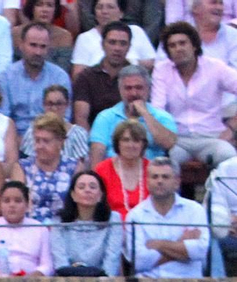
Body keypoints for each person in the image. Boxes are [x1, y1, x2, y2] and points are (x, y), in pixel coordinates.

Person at [153, 20, 237, 169]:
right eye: (172, 45)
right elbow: (158, 110)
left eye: (182, 43)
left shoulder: (215, 67)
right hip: (177, 139)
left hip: (211, 137)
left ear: (194, 45)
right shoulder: (161, 70)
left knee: (229, 158)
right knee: (163, 164)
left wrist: (231, 128)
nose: (178, 48)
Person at [126, 156, 209, 277]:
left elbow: (200, 250)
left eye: (165, 177)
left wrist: (159, 244)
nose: (159, 181)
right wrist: (181, 246)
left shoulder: (195, 210)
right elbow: (138, 261)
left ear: (177, 182)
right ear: (147, 182)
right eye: (155, 177)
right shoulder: (135, 215)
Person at [87, 65, 175, 164]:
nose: (134, 93)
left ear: (148, 89)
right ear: (120, 90)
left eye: (139, 88)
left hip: (151, 171)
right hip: (114, 170)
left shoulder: (162, 116)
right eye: (128, 88)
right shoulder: (105, 117)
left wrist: (145, 113)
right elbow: (97, 153)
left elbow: (169, 144)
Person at [0, 22, 70, 140]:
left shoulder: (60, 77)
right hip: (14, 139)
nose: (38, 52)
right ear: (21, 45)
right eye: (33, 45)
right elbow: (2, 118)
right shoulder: (6, 77)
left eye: (43, 46)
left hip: (50, 139)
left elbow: (64, 118)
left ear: (48, 49)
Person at [49, 169, 122, 275]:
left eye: (92, 187)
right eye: (81, 187)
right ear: (73, 195)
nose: (87, 190)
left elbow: (112, 258)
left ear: (101, 195)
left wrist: (104, 280)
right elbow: (60, 260)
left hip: (104, 281)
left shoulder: (113, 219)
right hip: (67, 280)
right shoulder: (59, 220)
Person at [0, 180, 52, 274]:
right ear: (0, 205)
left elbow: (47, 265)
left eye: (18, 201)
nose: (12, 205)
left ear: (27, 205)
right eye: (6, 201)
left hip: (32, 280)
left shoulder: (40, 229)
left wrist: (36, 275)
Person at [71, 17, 136, 125]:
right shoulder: (86, 77)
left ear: (129, 47)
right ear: (102, 44)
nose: (117, 48)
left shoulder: (137, 78)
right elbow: (81, 119)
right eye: (112, 42)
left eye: (123, 43)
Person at [16, 112, 75, 222]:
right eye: (37, 140)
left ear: (60, 142)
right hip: (31, 227)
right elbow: (17, 204)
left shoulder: (74, 167)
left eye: (46, 141)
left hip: (64, 227)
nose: (40, 146)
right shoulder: (22, 167)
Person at [17, 85, 89, 164]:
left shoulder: (78, 133)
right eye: (50, 104)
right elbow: (27, 161)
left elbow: (83, 164)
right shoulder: (33, 131)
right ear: (43, 105)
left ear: (67, 104)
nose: (54, 108)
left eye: (59, 104)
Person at [94, 118, 148, 216]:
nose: (130, 145)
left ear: (143, 144)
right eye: (125, 140)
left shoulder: (153, 170)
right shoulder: (102, 169)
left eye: (136, 140)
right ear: (117, 143)